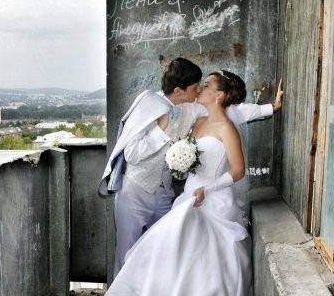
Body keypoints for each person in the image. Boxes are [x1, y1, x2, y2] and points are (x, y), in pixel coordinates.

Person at [98, 70, 256, 296]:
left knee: (198, 269)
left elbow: (238, 170)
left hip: (212, 200)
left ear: (220, 95)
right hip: (187, 197)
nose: (202, 88)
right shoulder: (197, 120)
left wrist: (208, 189)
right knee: (157, 255)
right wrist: (180, 163)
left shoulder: (226, 127)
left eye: (207, 85)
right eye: (200, 84)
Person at [99, 57, 282, 280]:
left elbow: (230, 111)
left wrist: (270, 107)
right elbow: (132, 154)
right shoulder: (147, 104)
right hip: (135, 189)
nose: (199, 91)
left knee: (168, 249)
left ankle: (159, 295)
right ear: (179, 90)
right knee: (127, 249)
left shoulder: (193, 107)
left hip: (164, 191)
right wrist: (161, 129)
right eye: (196, 87)